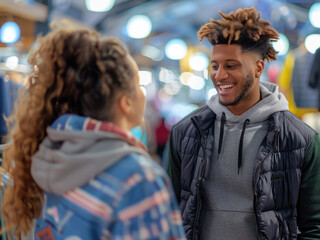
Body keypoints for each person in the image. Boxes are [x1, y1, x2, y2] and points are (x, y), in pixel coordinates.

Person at [1, 25, 185, 240]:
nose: (143, 92)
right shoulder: (138, 179)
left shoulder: (45, 156)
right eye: (138, 84)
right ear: (125, 102)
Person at [167, 7, 320, 240]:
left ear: (258, 68)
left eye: (231, 65)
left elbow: (319, 228)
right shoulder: (186, 132)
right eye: (215, 66)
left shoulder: (300, 140)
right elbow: (170, 212)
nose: (219, 75)